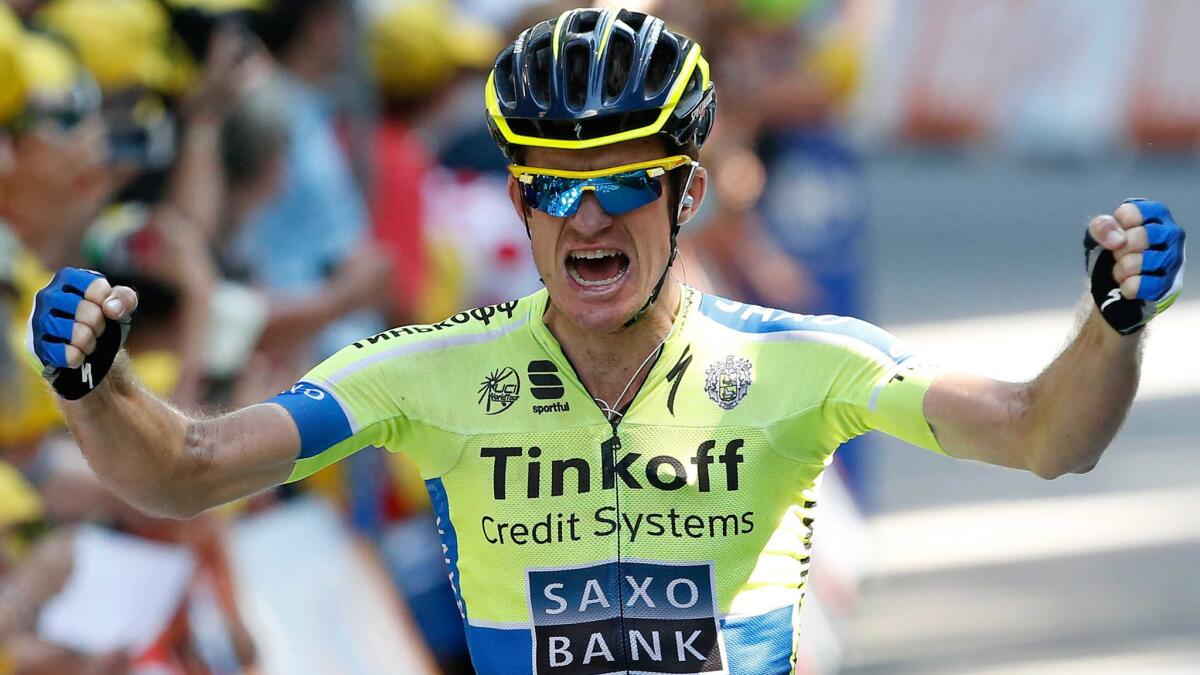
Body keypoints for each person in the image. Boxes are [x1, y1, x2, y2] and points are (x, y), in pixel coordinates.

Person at [26, 7, 1187, 674]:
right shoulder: (431, 371)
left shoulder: (803, 361)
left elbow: (1044, 437)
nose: (587, 215)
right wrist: (95, 385)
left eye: (624, 180)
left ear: (685, 192)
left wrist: (1112, 325)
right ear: (520, 201)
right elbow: (183, 471)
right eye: (553, 187)